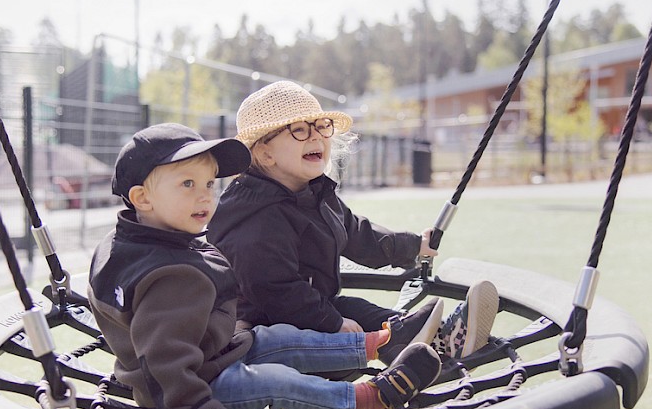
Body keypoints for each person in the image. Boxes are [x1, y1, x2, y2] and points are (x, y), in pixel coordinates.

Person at [87, 123, 442, 409]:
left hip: (213, 353)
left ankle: (378, 343)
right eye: (188, 184)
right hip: (191, 389)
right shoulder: (166, 276)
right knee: (276, 382)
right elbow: (163, 361)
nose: (205, 196)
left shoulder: (146, 243)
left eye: (210, 183)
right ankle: (369, 398)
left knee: (276, 339)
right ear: (142, 198)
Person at [209, 81, 498, 361]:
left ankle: (434, 340)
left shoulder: (314, 193)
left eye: (321, 127)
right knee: (344, 319)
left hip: (305, 310)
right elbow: (274, 289)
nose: (316, 137)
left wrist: (411, 246)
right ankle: (416, 344)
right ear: (264, 152)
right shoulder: (255, 216)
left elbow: (356, 232)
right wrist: (330, 322)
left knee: (361, 311)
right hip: (260, 333)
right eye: (298, 130)